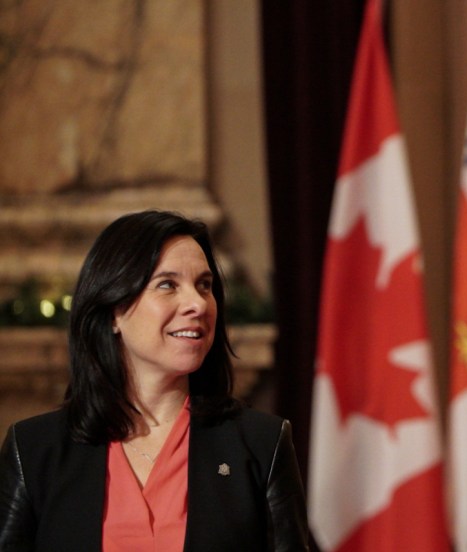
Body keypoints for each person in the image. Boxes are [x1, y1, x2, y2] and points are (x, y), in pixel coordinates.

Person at [0, 210, 309, 550]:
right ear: (114, 309)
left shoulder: (262, 444)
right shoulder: (32, 449)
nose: (197, 304)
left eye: (204, 285)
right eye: (167, 284)